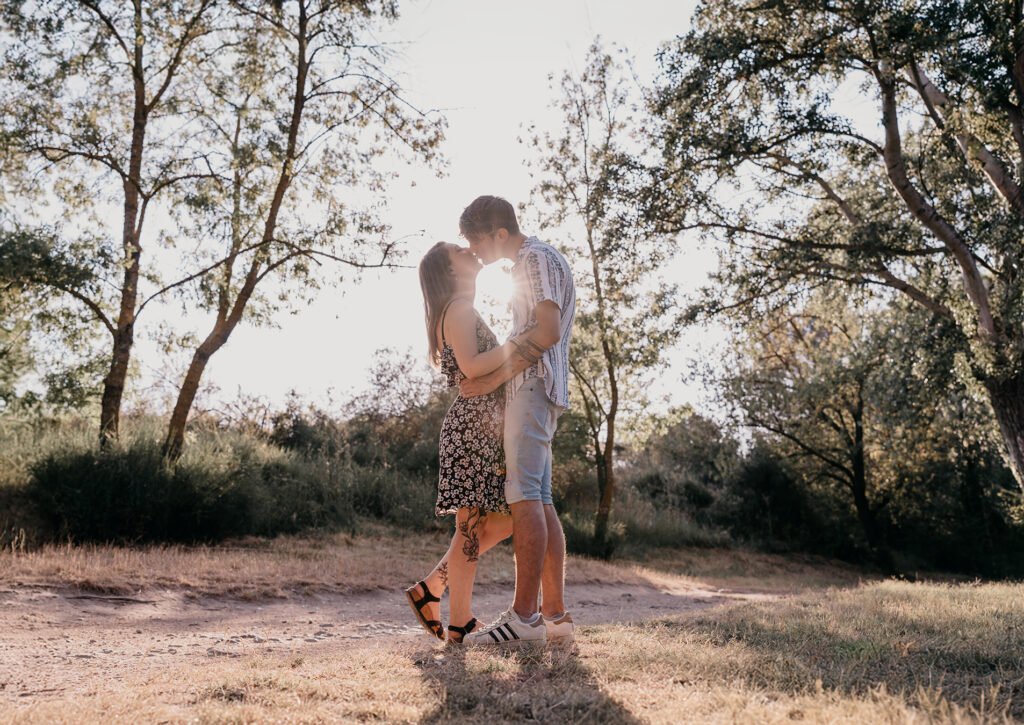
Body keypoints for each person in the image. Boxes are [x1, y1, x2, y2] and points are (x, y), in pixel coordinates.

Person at [456, 195, 577, 646]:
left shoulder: (533, 259)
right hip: (541, 390)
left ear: (499, 233)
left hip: (533, 389)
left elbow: (545, 332)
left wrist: (491, 379)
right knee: (540, 500)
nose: (477, 252)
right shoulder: (539, 258)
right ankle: (556, 619)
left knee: (523, 498)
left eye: (477, 241)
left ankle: (522, 618)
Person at [406, 241, 528, 643]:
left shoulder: (458, 309)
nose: (469, 251)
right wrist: (517, 347)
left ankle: (432, 590)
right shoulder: (457, 309)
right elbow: (474, 367)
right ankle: (458, 621)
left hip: (481, 429)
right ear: (450, 269)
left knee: (501, 523)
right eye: (460, 250)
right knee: (472, 529)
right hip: (472, 429)